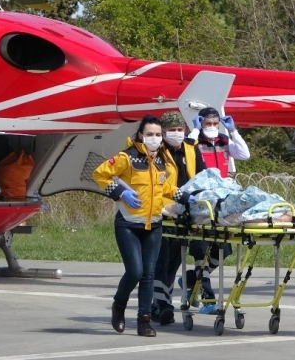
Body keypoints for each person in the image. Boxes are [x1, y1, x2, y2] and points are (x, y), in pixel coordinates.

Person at [93, 115, 194, 337]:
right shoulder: (127, 157)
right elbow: (99, 174)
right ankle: (119, 305)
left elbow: (165, 187)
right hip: (128, 224)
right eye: (150, 134)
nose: (154, 138)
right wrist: (121, 193)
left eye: (158, 134)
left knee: (148, 275)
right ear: (140, 135)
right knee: (135, 271)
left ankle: (144, 321)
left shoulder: (163, 160)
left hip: (154, 226)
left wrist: (186, 197)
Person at [185, 107, 251, 315]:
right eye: (208, 124)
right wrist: (195, 132)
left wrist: (233, 132)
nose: (212, 128)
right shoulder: (194, 142)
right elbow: (186, 152)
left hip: (222, 201)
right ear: (200, 123)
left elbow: (244, 154)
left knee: (223, 250)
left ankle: (189, 280)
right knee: (200, 251)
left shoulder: (223, 141)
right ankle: (208, 299)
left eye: (215, 124)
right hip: (201, 200)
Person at [151, 111, 207, 325]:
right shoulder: (156, 152)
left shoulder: (192, 150)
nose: (176, 133)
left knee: (174, 261)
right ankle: (161, 305)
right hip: (162, 212)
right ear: (163, 132)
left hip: (185, 213)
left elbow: (202, 177)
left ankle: (161, 302)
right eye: (171, 130)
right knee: (161, 261)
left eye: (179, 129)